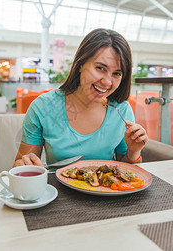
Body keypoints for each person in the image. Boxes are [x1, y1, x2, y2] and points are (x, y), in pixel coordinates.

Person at [14, 28, 148, 167]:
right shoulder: (43, 106)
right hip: (59, 188)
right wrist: (23, 165)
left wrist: (133, 151)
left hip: (108, 188)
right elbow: (21, 164)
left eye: (116, 73)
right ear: (80, 65)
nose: (107, 82)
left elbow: (127, 172)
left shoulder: (122, 110)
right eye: (100, 68)